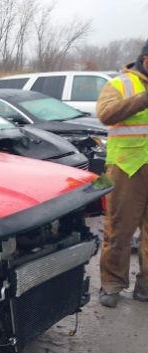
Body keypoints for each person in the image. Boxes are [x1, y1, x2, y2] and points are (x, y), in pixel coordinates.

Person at [97, 39, 148, 307]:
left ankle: (145, 287)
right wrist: (143, 99)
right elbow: (105, 114)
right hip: (127, 167)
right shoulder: (120, 84)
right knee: (119, 229)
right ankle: (112, 284)